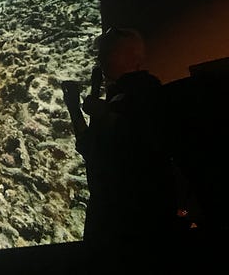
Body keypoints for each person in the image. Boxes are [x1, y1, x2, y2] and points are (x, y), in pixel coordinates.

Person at [62, 27, 178, 268]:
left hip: (132, 222)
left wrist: (102, 111)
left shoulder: (148, 94)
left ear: (123, 57)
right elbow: (91, 148)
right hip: (110, 214)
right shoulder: (119, 97)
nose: (100, 60)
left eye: (105, 53)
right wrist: (75, 107)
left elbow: (140, 136)